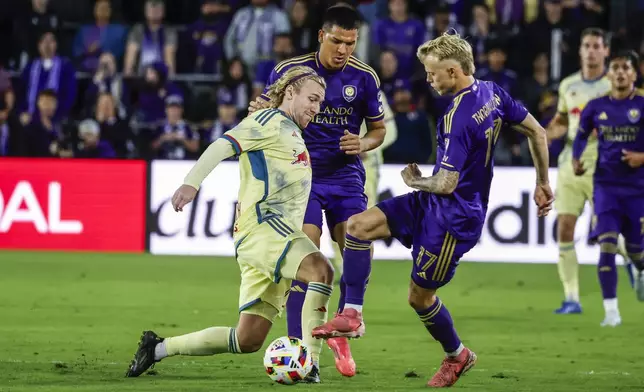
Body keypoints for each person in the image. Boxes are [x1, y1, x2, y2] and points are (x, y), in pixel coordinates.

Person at [312, 31, 554, 388]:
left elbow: (446, 184)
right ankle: (353, 315)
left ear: (453, 72)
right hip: (433, 204)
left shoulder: (457, 117)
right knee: (358, 227)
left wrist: (415, 181)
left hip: (453, 220)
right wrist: (543, 181)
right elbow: (538, 133)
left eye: (432, 73)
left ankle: (458, 355)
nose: (428, 79)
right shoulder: (493, 92)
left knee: (419, 297)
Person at [125, 66, 334, 383]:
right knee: (322, 271)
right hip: (265, 228)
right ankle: (312, 364)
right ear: (290, 92)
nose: (316, 108)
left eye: (320, 103)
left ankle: (158, 349)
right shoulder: (266, 121)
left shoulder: (291, 131)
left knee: (247, 340)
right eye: (313, 99)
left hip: (270, 239)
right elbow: (223, 144)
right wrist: (191, 183)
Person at [248, 4, 386, 379]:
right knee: (307, 261)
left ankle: (344, 324)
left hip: (345, 179)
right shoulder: (290, 71)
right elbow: (264, 111)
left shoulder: (365, 78)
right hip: (300, 177)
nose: (344, 50)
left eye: (351, 43)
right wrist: (258, 109)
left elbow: (378, 130)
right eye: (338, 41)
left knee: (357, 243)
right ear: (321, 36)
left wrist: (364, 144)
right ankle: (300, 350)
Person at [546, 28, 632, 315]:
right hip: (571, 160)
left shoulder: (616, 84)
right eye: (587, 46)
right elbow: (561, 120)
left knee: (608, 230)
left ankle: (634, 259)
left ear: (606, 51)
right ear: (580, 51)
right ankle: (571, 298)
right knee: (565, 227)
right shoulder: (569, 85)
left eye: (597, 46)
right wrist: (545, 134)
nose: (591, 51)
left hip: (606, 160)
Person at [572, 50, 644, 327]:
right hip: (606, 186)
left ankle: (638, 268)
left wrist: (641, 158)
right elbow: (580, 136)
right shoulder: (595, 106)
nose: (621, 72)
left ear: (634, 74)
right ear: (609, 74)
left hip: (637, 189)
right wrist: (577, 159)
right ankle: (611, 312)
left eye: (626, 68)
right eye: (616, 68)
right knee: (608, 243)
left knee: (637, 250)